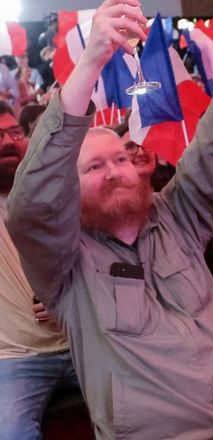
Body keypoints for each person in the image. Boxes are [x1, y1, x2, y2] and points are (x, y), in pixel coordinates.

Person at [7, 0, 213, 440]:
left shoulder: (176, 216)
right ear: (67, 187)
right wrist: (94, 58)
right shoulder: (63, 263)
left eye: (120, 159)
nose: (116, 171)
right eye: (94, 167)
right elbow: (32, 204)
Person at [0, 101, 79, 440]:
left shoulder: (62, 190)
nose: (7, 141)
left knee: (149, 402)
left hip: (82, 340)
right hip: (17, 359)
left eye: (14, 132)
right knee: (12, 433)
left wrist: (66, 295)